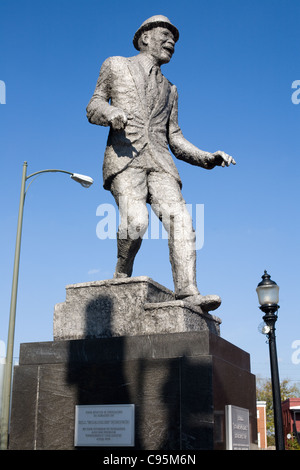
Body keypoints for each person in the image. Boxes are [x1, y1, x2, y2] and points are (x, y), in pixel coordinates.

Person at [86, 15, 236, 311]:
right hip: (125, 157)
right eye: (165, 35)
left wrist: (208, 157)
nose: (171, 43)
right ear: (144, 38)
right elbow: (93, 105)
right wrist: (110, 114)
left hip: (161, 163)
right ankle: (122, 270)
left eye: (175, 40)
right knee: (136, 222)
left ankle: (187, 291)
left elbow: (176, 139)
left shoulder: (171, 89)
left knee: (182, 221)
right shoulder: (116, 64)